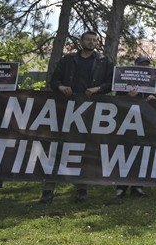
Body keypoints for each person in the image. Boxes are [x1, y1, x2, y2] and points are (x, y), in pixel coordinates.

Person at [41, 31, 113, 203]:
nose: (91, 42)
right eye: (88, 39)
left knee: (84, 149)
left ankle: (81, 189)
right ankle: (48, 189)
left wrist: (98, 89)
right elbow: (54, 80)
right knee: (58, 149)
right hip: (65, 109)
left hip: (90, 110)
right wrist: (61, 87)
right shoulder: (68, 60)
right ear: (81, 41)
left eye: (95, 40)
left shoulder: (104, 61)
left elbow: (111, 82)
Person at [114, 55, 156, 199]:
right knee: (125, 153)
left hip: (147, 124)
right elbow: (117, 98)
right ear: (136, 66)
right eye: (142, 65)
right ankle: (121, 186)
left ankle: (138, 186)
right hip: (128, 123)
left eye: (147, 65)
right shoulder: (125, 80)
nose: (145, 67)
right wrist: (128, 96)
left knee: (142, 154)